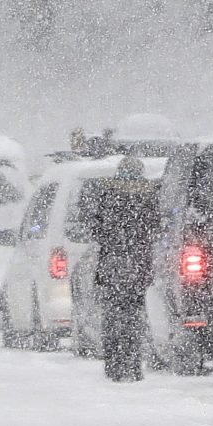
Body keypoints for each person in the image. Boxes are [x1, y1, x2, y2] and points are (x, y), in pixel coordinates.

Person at [83, 154, 159, 383]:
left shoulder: (107, 195)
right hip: (138, 267)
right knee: (134, 316)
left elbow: (97, 229)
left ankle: (115, 364)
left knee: (113, 316)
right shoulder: (148, 195)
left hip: (112, 268)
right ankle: (133, 364)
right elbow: (155, 227)